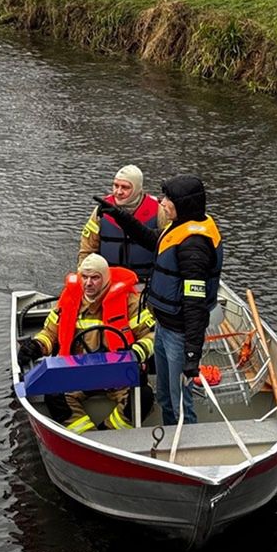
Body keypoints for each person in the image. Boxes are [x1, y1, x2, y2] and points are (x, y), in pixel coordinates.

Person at [95, 175, 222, 427]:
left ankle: (186, 442)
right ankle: (168, 433)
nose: (162, 203)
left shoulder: (194, 246)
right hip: (163, 326)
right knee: (164, 395)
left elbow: (195, 304)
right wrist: (120, 216)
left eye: (168, 199)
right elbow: (151, 239)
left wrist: (192, 353)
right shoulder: (180, 227)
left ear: (183, 204)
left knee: (179, 402)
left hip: (179, 334)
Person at [18, 254, 155, 433]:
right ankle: (85, 436)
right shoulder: (69, 301)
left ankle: (110, 432)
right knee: (54, 395)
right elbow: (51, 333)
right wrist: (37, 346)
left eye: (95, 278)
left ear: (105, 279)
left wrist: (136, 353)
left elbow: (151, 336)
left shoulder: (130, 302)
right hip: (79, 373)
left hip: (118, 374)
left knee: (144, 396)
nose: (88, 283)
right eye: (84, 277)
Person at [78, 164, 160, 285]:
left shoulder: (158, 210)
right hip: (108, 282)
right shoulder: (101, 211)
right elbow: (87, 248)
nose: (118, 192)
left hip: (145, 283)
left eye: (125, 187)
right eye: (116, 186)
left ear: (137, 188)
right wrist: (83, 277)